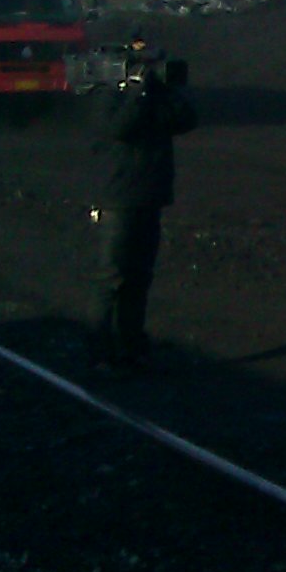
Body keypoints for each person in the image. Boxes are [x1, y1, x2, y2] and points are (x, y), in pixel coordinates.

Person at [89, 34, 195, 374]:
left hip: (150, 197)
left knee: (139, 278)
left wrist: (165, 91)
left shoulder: (154, 96)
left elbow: (186, 120)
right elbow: (118, 128)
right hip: (117, 198)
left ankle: (133, 346)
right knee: (112, 278)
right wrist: (136, 92)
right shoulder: (107, 93)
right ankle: (102, 351)